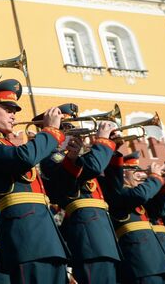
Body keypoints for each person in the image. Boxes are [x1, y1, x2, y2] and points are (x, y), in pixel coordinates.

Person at [0, 79, 69, 284]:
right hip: (26, 236)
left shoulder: (8, 144)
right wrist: (50, 132)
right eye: (7, 109)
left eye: (14, 110)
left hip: (45, 234)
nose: (13, 115)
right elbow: (25, 158)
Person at [40, 121, 120, 284]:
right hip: (88, 236)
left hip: (104, 235)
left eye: (75, 128)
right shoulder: (53, 157)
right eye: (68, 129)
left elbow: (116, 190)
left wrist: (113, 151)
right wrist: (103, 142)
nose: (76, 132)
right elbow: (93, 167)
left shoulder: (84, 157)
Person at [100, 152, 165, 284]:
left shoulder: (139, 197)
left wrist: (162, 183)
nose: (142, 175)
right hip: (141, 262)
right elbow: (140, 195)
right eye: (136, 171)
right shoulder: (118, 194)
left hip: (160, 260)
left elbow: (159, 211)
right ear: (123, 173)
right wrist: (155, 178)